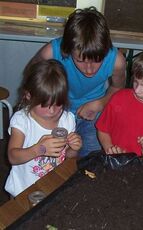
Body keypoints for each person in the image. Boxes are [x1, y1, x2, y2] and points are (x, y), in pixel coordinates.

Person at [24, 7, 126, 157]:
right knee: (45, 159)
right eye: (80, 60)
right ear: (68, 49)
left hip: (91, 113)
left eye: (97, 61)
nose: (89, 69)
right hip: (55, 109)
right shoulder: (51, 52)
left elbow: (118, 88)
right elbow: (31, 77)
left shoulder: (117, 61)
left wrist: (100, 103)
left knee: (92, 159)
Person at [5, 59, 82, 197]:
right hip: (23, 190)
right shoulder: (22, 120)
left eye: (58, 104)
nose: (52, 111)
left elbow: (68, 156)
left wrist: (74, 148)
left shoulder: (67, 119)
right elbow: (12, 157)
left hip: (54, 185)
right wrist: (40, 149)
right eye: (45, 105)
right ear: (29, 96)